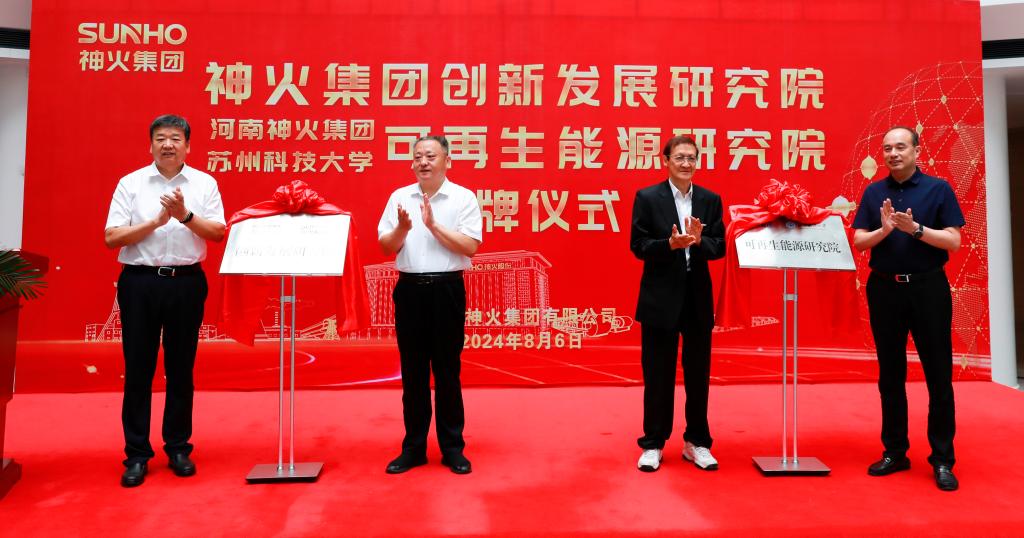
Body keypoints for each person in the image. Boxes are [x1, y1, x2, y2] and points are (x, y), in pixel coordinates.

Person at [104, 114, 226, 487]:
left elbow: (217, 232)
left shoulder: (205, 183)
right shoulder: (131, 183)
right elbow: (112, 237)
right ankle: (137, 454)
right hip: (139, 283)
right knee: (138, 369)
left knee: (181, 367)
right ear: (151, 144)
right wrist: (155, 223)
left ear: (188, 146)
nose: (168, 144)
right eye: (160, 138)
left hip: (186, 283)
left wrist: (184, 216)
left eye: (175, 138)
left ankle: (178, 447)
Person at [852, 126, 964, 491]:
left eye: (900, 147)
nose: (893, 154)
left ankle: (943, 459)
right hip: (885, 289)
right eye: (887, 148)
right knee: (890, 374)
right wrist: (885, 230)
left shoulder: (938, 189)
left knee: (938, 374)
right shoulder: (874, 192)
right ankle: (895, 451)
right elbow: (859, 242)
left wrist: (915, 229)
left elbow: (953, 241)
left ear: (917, 151)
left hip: (928, 288)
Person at [377, 135, 482, 475]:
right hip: (410, 291)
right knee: (413, 372)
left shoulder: (463, 198)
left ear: (447, 161)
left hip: (447, 289)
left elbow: (470, 246)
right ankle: (414, 447)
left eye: (430, 156)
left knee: (448, 371)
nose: (423, 162)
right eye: (418, 156)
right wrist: (403, 229)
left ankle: (452, 448)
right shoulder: (399, 197)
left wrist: (433, 226)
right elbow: (386, 246)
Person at [629, 135, 725, 472]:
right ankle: (653, 443)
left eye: (692, 158)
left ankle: (697, 442)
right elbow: (638, 245)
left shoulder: (710, 200)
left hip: (697, 298)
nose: (686, 163)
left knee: (698, 374)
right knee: (658, 373)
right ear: (666, 160)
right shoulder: (647, 198)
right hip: (660, 298)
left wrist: (699, 242)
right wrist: (668, 245)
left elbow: (720, 246)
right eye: (680, 157)